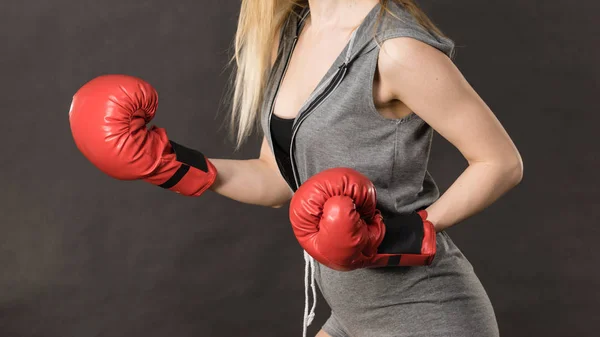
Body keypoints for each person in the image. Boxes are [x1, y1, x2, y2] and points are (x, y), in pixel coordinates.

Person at [69, 0, 523, 336]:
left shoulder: (395, 49)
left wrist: (402, 234)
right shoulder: (293, 34)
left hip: (423, 313)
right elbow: (275, 178)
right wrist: (170, 164)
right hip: (351, 317)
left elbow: (500, 162)